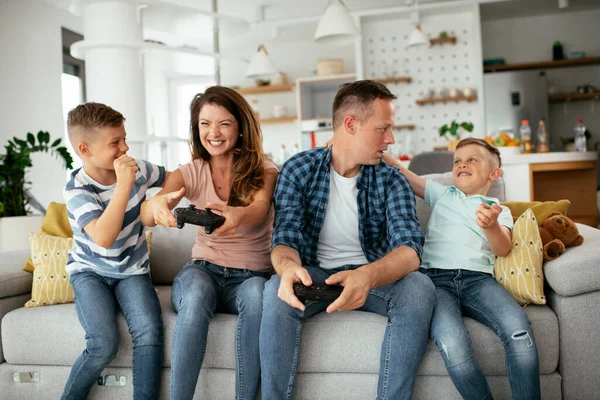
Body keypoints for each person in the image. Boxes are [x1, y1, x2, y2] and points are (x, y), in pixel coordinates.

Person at [259, 80, 436, 400]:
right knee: (275, 290)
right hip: (315, 274)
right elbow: (285, 236)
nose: (391, 139)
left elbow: (409, 249)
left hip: (373, 276)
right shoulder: (299, 169)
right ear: (351, 125)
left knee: (419, 287)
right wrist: (286, 268)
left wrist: (366, 276)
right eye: (383, 128)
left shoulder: (392, 178)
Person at [141, 86, 278, 400]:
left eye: (224, 124)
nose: (213, 133)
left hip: (251, 276)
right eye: (205, 124)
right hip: (203, 272)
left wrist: (236, 216)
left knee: (259, 295)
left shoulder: (264, 169)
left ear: (240, 127)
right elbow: (150, 210)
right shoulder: (190, 172)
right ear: (196, 128)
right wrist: (158, 206)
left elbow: (258, 209)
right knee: (198, 292)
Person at [384, 138, 541, 400]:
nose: (462, 164)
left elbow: (502, 248)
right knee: (453, 345)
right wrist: (379, 152)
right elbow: (404, 174)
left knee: (519, 330)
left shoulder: (496, 209)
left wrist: (490, 226)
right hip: (436, 283)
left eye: (472, 159)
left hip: (478, 281)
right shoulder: (443, 194)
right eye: (457, 161)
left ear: (494, 173)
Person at [62, 102, 166, 399]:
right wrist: (124, 186)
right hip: (90, 271)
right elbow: (104, 238)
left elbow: (175, 176)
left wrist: (160, 202)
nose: (125, 148)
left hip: (132, 269)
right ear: (85, 149)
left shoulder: (139, 169)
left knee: (149, 334)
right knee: (103, 344)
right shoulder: (77, 190)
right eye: (115, 143)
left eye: (124, 138)